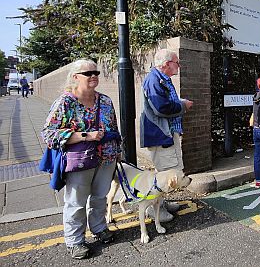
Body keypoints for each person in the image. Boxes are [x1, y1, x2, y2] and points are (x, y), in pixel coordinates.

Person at [41, 59, 121, 259]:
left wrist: (118, 151)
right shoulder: (65, 102)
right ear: (75, 77)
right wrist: (84, 136)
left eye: (96, 72)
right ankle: (75, 241)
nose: (94, 76)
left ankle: (99, 228)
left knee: (100, 196)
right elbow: (48, 134)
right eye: (88, 73)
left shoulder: (105, 101)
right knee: (76, 201)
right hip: (80, 159)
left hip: (107, 157)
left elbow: (114, 128)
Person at [140, 49, 193, 222]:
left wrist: (179, 103)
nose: (179, 65)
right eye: (177, 62)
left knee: (166, 171)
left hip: (166, 133)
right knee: (164, 174)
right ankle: (153, 210)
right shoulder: (155, 80)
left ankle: (162, 204)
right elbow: (161, 108)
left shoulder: (161, 79)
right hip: (161, 134)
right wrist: (182, 105)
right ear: (166, 63)